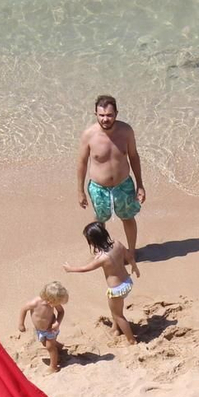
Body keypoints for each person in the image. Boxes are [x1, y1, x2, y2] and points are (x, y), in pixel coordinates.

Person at [76, 95, 144, 273]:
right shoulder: (89, 135)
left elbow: (134, 157)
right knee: (99, 221)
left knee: (128, 217)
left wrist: (140, 185)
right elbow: (82, 163)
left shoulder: (126, 131)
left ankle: (132, 251)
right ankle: (101, 251)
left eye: (109, 115)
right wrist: (80, 191)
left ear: (116, 114)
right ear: (96, 114)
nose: (106, 119)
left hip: (123, 184)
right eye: (102, 115)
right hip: (98, 188)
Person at [64, 221, 136, 345]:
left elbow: (85, 268)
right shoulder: (117, 244)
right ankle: (116, 329)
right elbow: (129, 256)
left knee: (118, 315)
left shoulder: (102, 258)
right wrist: (135, 267)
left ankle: (132, 340)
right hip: (127, 282)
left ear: (92, 241)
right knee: (115, 309)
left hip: (116, 289)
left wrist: (70, 269)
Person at [18, 281, 69, 373]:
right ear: (50, 299)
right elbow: (23, 309)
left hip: (51, 328)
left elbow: (61, 312)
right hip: (40, 330)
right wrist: (21, 324)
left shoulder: (53, 302)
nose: (57, 304)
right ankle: (59, 346)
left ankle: (53, 366)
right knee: (44, 343)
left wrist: (57, 323)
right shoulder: (34, 303)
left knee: (50, 347)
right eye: (56, 302)